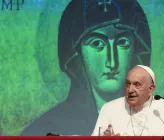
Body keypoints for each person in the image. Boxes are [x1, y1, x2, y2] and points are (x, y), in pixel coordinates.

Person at [21, 0, 152, 136]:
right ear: (77, 54)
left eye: (122, 42)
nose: (112, 62)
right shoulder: (46, 129)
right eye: (97, 43)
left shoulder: (157, 121)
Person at [91, 65, 164, 136]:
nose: (130, 90)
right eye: (128, 84)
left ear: (151, 89)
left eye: (137, 85)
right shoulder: (109, 109)